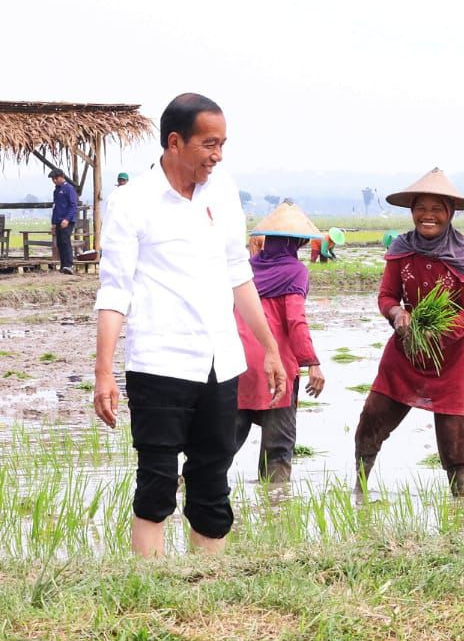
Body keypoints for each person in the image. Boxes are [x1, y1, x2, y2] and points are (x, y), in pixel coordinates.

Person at [92, 92, 287, 557]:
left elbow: (239, 275)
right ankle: (152, 589)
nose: (217, 156)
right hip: (159, 362)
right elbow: (115, 291)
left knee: (212, 480)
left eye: (222, 144)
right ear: (175, 142)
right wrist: (103, 372)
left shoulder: (223, 193)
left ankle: (208, 587)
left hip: (221, 362)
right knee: (157, 481)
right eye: (209, 144)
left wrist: (270, 348)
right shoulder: (131, 202)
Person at [353, 168, 464, 497]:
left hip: (454, 358)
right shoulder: (402, 249)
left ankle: (460, 506)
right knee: (372, 418)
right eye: (421, 209)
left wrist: (435, 336)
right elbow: (387, 295)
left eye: (436, 209)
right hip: (407, 350)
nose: (427, 216)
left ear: (449, 213)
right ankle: (358, 490)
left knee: (454, 438)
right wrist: (397, 312)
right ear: (412, 212)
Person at [233, 202, 326, 483]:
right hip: (275, 365)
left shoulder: (246, 269)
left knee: (221, 444)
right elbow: (295, 321)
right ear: (296, 243)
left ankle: (185, 489)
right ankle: (276, 506)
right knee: (278, 447)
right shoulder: (295, 271)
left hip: (237, 362)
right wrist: (312, 362)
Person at [49, 168, 79, 274]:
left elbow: (73, 205)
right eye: (53, 179)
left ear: (62, 176)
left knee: (65, 241)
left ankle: (69, 265)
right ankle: (63, 265)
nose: (54, 180)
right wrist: (53, 223)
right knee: (60, 243)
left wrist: (67, 219)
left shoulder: (69, 189)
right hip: (58, 220)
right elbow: (55, 207)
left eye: (56, 178)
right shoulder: (56, 190)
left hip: (67, 220)